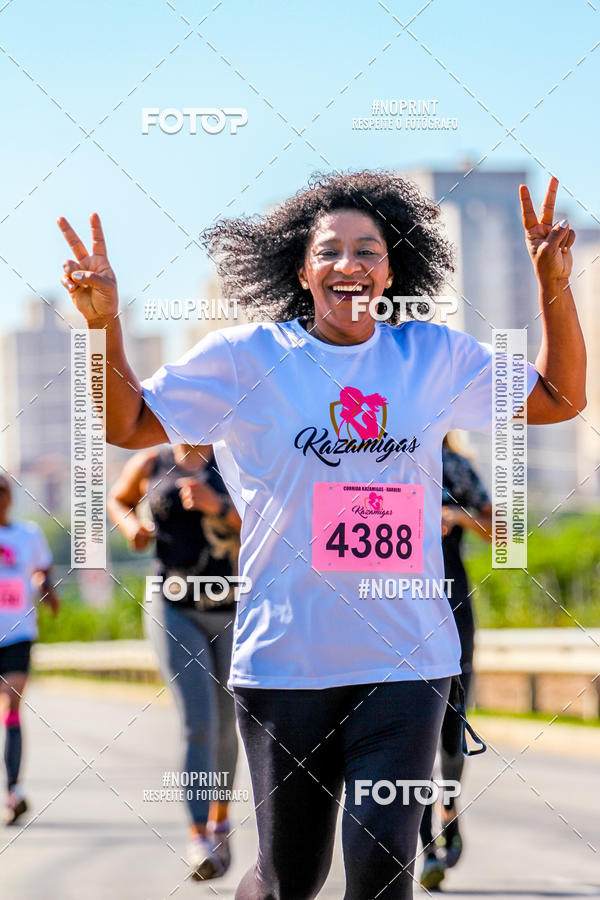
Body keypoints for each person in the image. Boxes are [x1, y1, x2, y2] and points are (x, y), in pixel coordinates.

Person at [58, 170, 585, 899]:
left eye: (367, 250)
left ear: (392, 267)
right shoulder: (248, 358)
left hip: (408, 659)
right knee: (290, 879)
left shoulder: (431, 357)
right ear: (301, 269)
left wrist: (553, 282)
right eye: (330, 252)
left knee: (380, 870)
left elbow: (559, 398)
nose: (349, 266)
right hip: (287, 660)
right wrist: (101, 324)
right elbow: (126, 424)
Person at [107, 443, 241, 879]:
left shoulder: (237, 457)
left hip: (233, 605)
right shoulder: (151, 461)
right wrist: (131, 528)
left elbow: (269, 522)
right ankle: (199, 835)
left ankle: (221, 821)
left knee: (227, 722)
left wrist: (216, 504)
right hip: (173, 604)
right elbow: (119, 498)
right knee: (198, 721)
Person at [419, 433, 492, 890]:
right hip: (390, 609)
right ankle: (425, 844)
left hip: (452, 607)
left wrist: (457, 514)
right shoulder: (369, 456)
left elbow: (508, 536)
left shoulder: (456, 466)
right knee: (408, 731)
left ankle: (449, 807)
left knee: (450, 727)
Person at [0, 473, 59, 824]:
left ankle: (13, 790)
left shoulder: (29, 534)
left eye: (4, 492)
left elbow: (42, 570)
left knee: (12, 702)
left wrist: (47, 588)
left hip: (19, 632)